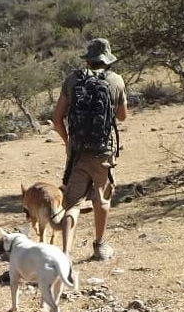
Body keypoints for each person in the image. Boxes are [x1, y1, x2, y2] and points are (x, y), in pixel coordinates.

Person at [51, 38, 128, 261]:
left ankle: (65, 253)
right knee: (101, 199)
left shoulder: (72, 80)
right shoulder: (116, 80)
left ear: (88, 60)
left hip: (77, 151)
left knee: (72, 203)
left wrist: (68, 142)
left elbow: (57, 119)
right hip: (103, 150)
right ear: (107, 60)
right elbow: (122, 117)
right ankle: (100, 246)